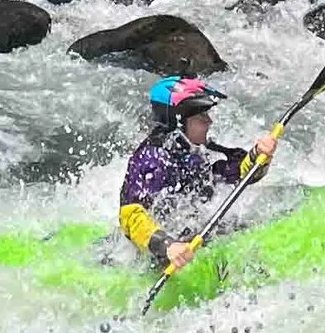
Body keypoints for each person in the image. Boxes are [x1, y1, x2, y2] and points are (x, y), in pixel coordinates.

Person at [117, 75, 282, 271]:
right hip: (154, 253)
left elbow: (233, 175)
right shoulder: (152, 159)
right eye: (201, 117)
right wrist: (167, 245)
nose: (209, 122)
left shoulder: (194, 149)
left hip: (189, 233)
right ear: (178, 122)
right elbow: (131, 215)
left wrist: (258, 155)